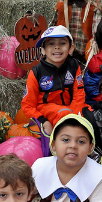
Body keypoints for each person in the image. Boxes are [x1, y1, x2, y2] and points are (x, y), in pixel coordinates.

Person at [21, 26, 85, 155]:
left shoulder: (74, 65)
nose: (57, 47)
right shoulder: (36, 72)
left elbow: (79, 94)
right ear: (43, 50)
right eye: (51, 44)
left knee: (89, 115)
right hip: (46, 108)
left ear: (71, 48)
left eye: (62, 43)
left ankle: (90, 149)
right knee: (65, 116)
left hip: (70, 107)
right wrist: (43, 120)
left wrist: (76, 115)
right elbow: (27, 105)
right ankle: (62, 152)